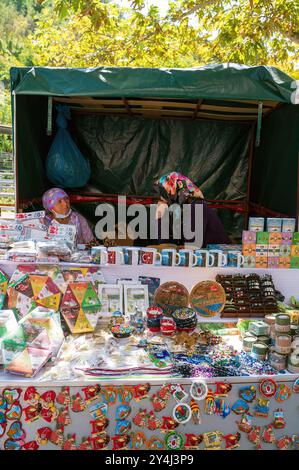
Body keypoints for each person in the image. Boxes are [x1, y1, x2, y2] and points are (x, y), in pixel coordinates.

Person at [153, 172, 230, 247]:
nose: (161, 198)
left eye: (164, 193)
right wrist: (160, 217)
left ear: (176, 190)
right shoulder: (177, 209)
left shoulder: (197, 207)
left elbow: (191, 245)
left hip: (220, 256)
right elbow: (164, 245)